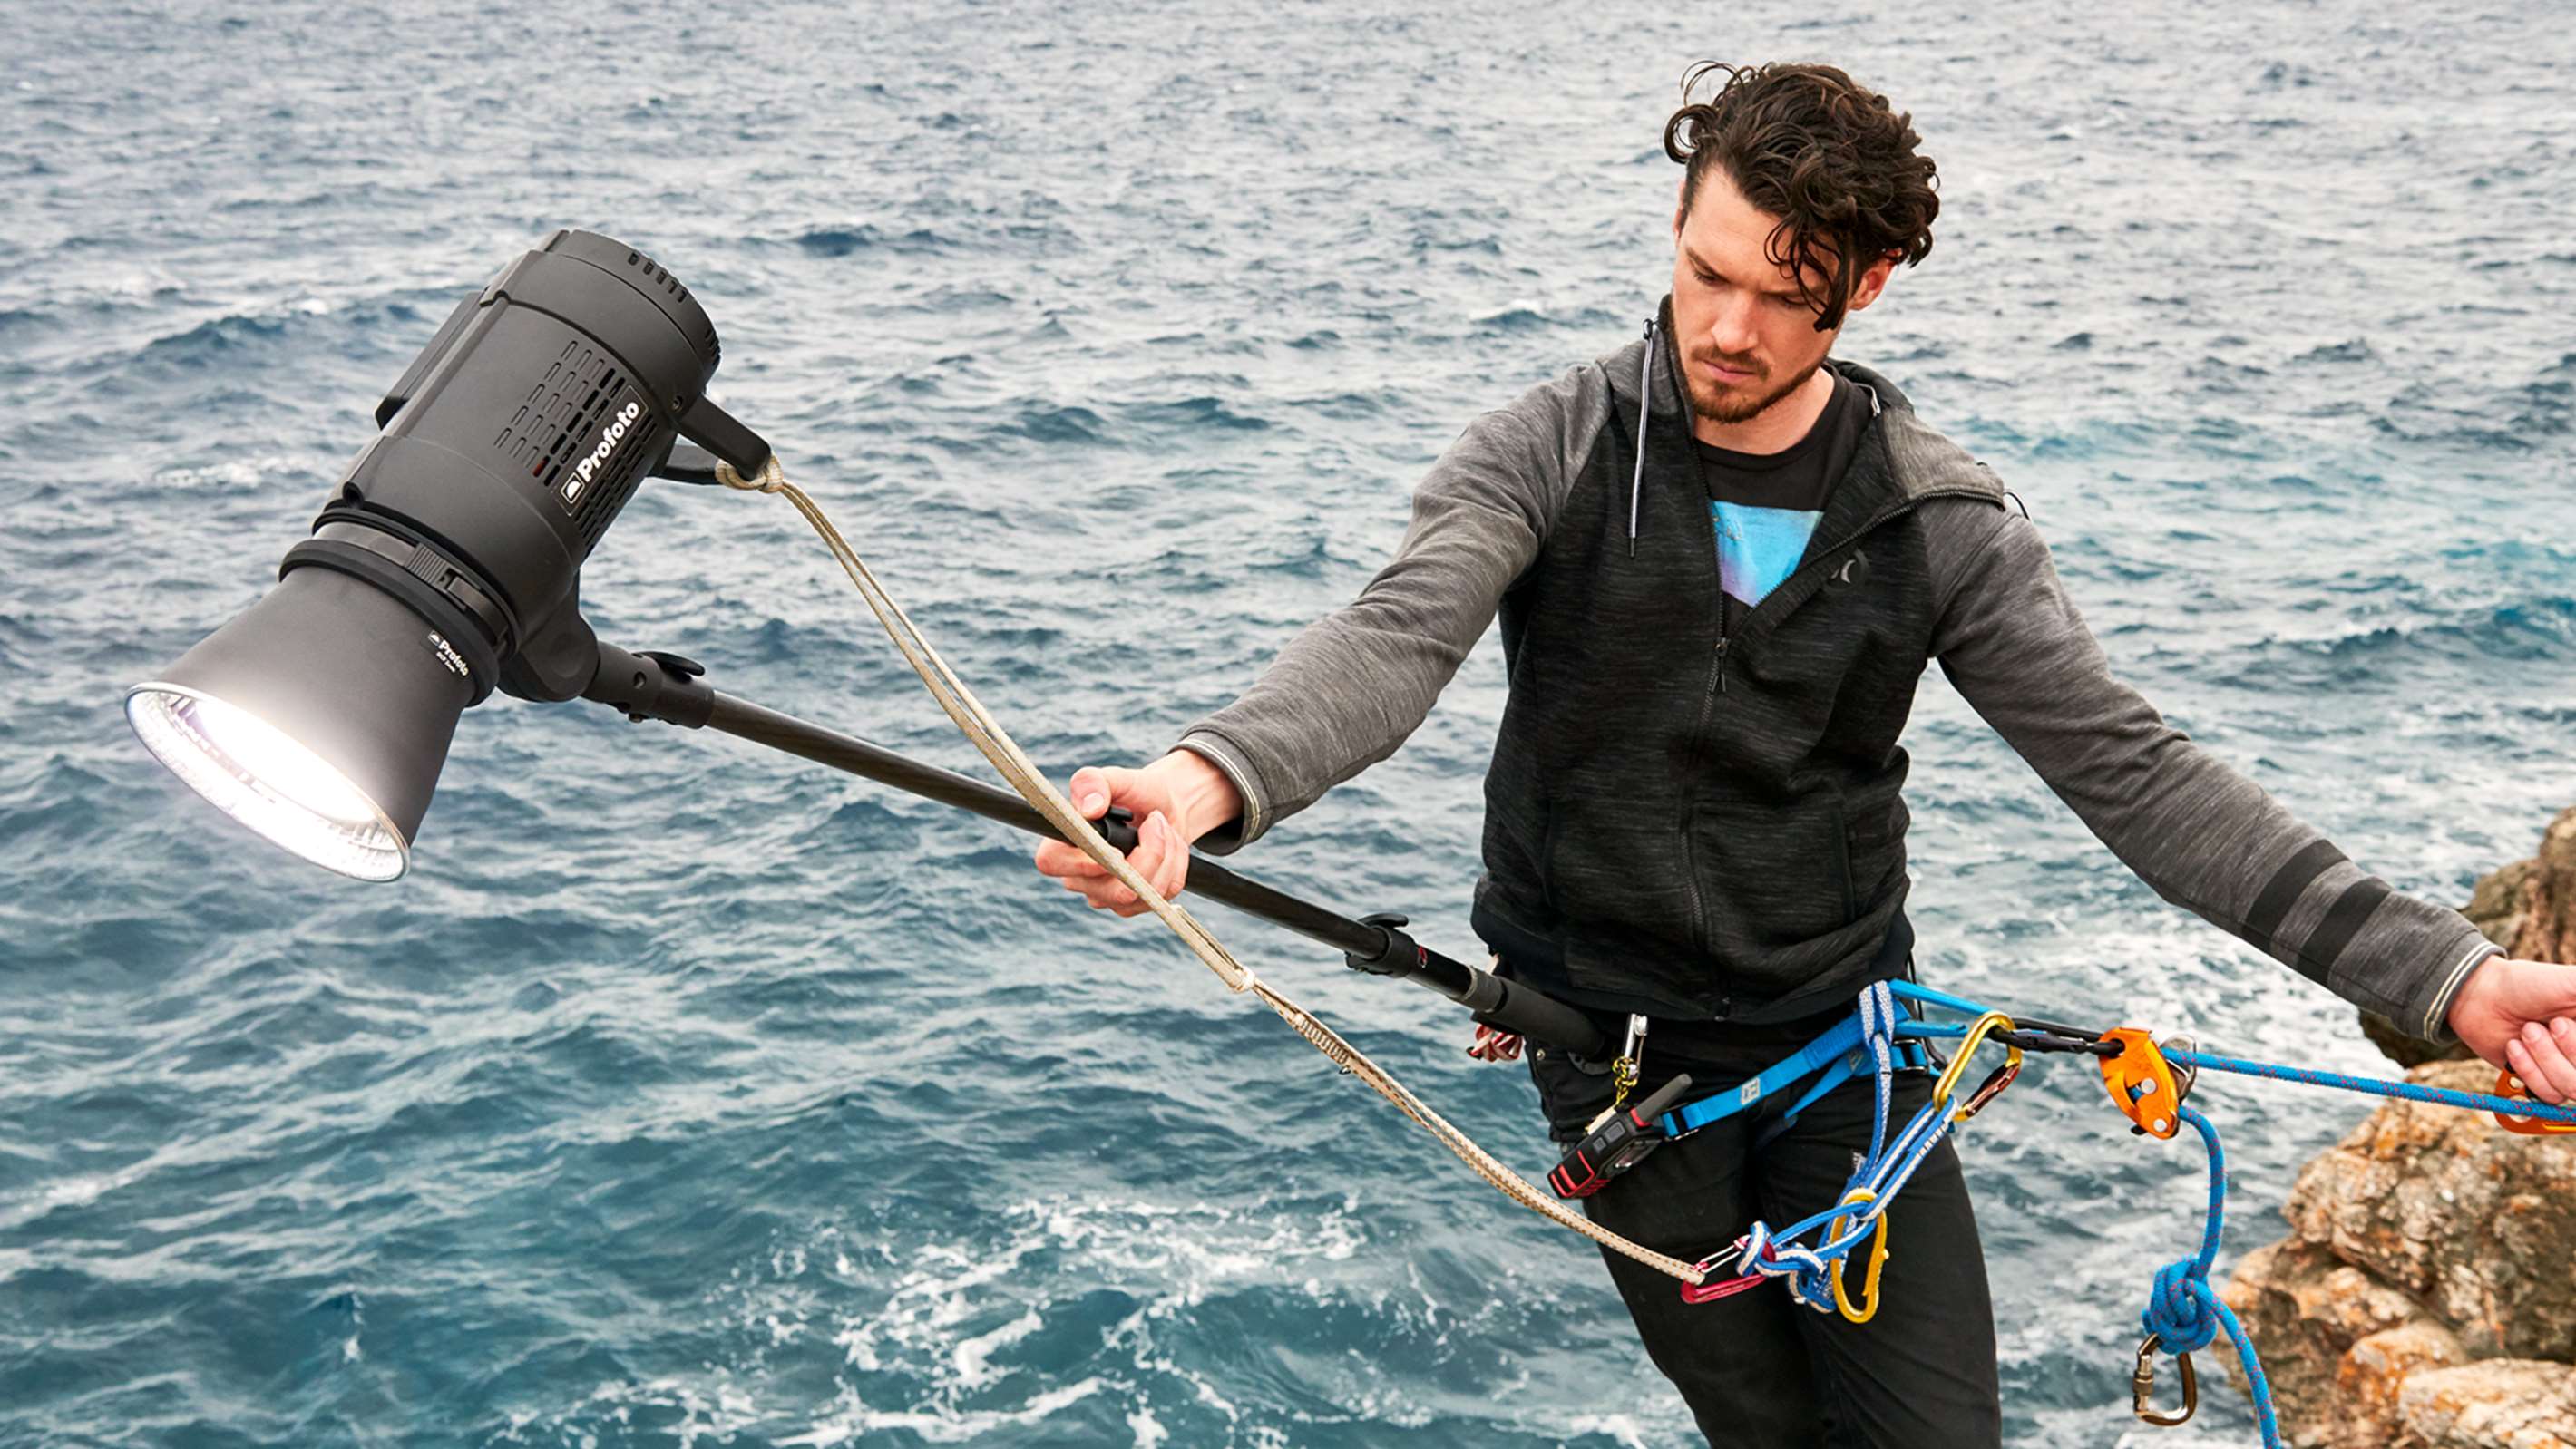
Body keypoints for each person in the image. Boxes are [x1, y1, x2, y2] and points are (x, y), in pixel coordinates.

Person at [1031, 60, 2576, 1446]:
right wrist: (1202, 784)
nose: (1724, 327)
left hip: (1853, 1060)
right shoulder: (1552, 450)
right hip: (1615, 1077)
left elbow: (2141, 775)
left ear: (1871, 286)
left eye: (1782, 296)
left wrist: (2448, 976)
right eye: (1705, 272)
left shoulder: (1936, 518)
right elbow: (1393, 637)